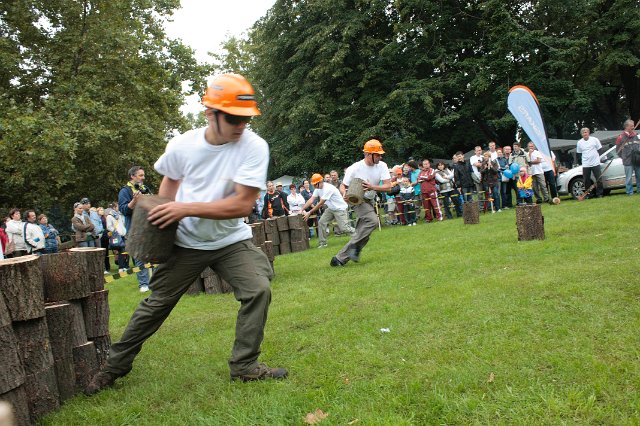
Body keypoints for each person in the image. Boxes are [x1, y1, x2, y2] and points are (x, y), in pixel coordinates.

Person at [85, 73, 286, 396]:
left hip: (230, 241)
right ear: (210, 113)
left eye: (246, 118)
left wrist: (185, 208)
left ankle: (245, 366)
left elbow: (242, 204)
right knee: (155, 305)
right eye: (233, 118)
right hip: (187, 243)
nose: (241, 125)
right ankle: (112, 369)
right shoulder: (182, 145)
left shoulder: (254, 146)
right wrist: (161, 226)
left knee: (258, 290)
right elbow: (169, 186)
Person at [331, 139, 391, 266]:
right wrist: (344, 194)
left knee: (363, 232)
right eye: (378, 155)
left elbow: (388, 187)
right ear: (369, 154)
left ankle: (340, 258)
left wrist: (372, 187)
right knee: (373, 221)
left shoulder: (382, 166)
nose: (380, 157)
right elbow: (343, 186)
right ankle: (349, 252)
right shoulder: (355, 168)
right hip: (356, 199)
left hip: (370, 199)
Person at [119, 165, 151, 292]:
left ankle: (155, 282)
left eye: (143, 175)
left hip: (148, 227)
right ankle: (144, 284)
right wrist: (134, 201)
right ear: (132, 176)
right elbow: (123, 210)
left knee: (152, 255)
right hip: (134, 228)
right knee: (140, 258)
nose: (143, 178)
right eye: (140, 175)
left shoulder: (145, 188)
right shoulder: (124, 191)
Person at [301, 174, 354, 248]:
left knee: (344, 228)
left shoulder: (328, 188)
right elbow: (311, 200)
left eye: (315, 184)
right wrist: (302, 209)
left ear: (320, 182)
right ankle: (323, 243)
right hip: (331, 208)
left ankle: (359, 235)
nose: (314, 186)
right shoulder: (317, 189)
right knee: (321, 222)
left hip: (340, 209)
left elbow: (320, 203)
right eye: (313, 185)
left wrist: (309, 213)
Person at [615, 119, 640, 195]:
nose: (633, 127)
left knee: (639, 176)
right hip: (628, 161)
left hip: (637, 160)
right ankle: (629, 192)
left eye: (633, 126)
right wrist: (624, 157)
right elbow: (618, 151)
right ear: (626, 127)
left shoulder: (635, 135)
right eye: (631, 126)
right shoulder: (620, 137)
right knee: (629, 178)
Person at [576, 128, 603, 198]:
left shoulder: (595, 140)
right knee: (586, 180)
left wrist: (599, 158)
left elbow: (600, 149)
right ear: (581, 134)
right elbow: (579, 154)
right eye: (583, 133)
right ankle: (589, 194)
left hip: (595, 162)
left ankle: (599, 193)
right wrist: (581, 162)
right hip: (586, 164)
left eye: (586, 132)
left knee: (599, 179)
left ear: (588, 133)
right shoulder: (579, 142)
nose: (585, 134)